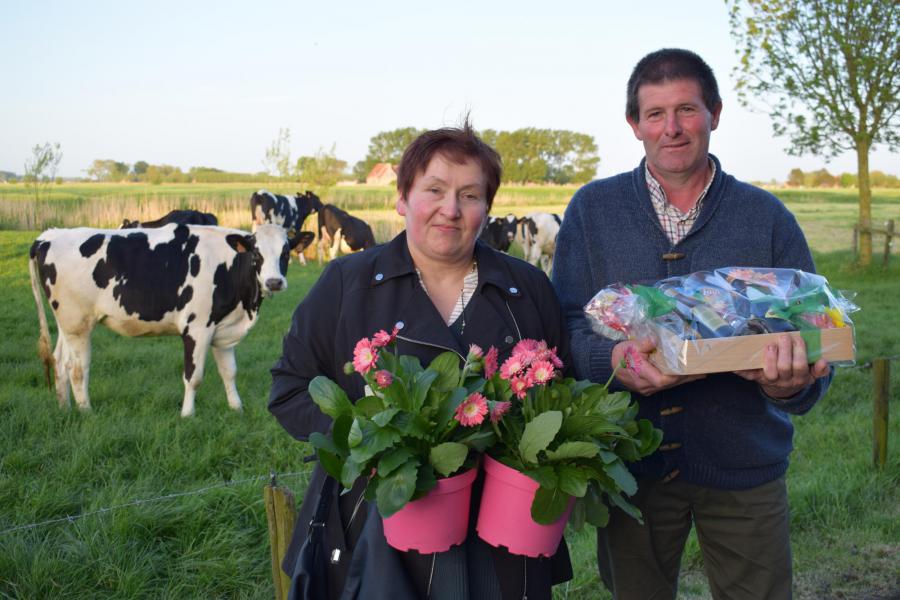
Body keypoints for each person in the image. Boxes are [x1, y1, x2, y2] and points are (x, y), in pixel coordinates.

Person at [552, 48, 832, 600]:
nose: (672, 128)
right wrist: (610, 361)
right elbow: (563, 327)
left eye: (687, 109)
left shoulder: (767, 217)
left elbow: (816, 344)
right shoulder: (592, 211)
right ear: (634, 124)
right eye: (655, 113)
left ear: (716, 114)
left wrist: (793, 383)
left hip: (744, 469)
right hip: (630, 466)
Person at [269, 122, 573, 599]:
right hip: (376, 522)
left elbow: (561, 395)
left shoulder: (527, 289)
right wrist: (371, 443)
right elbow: (289, 389)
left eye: (469, 195)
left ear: (487, 207)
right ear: (402, 197)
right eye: (434, 190)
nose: (450, 210)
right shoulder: (348, 283)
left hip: (500, 534)